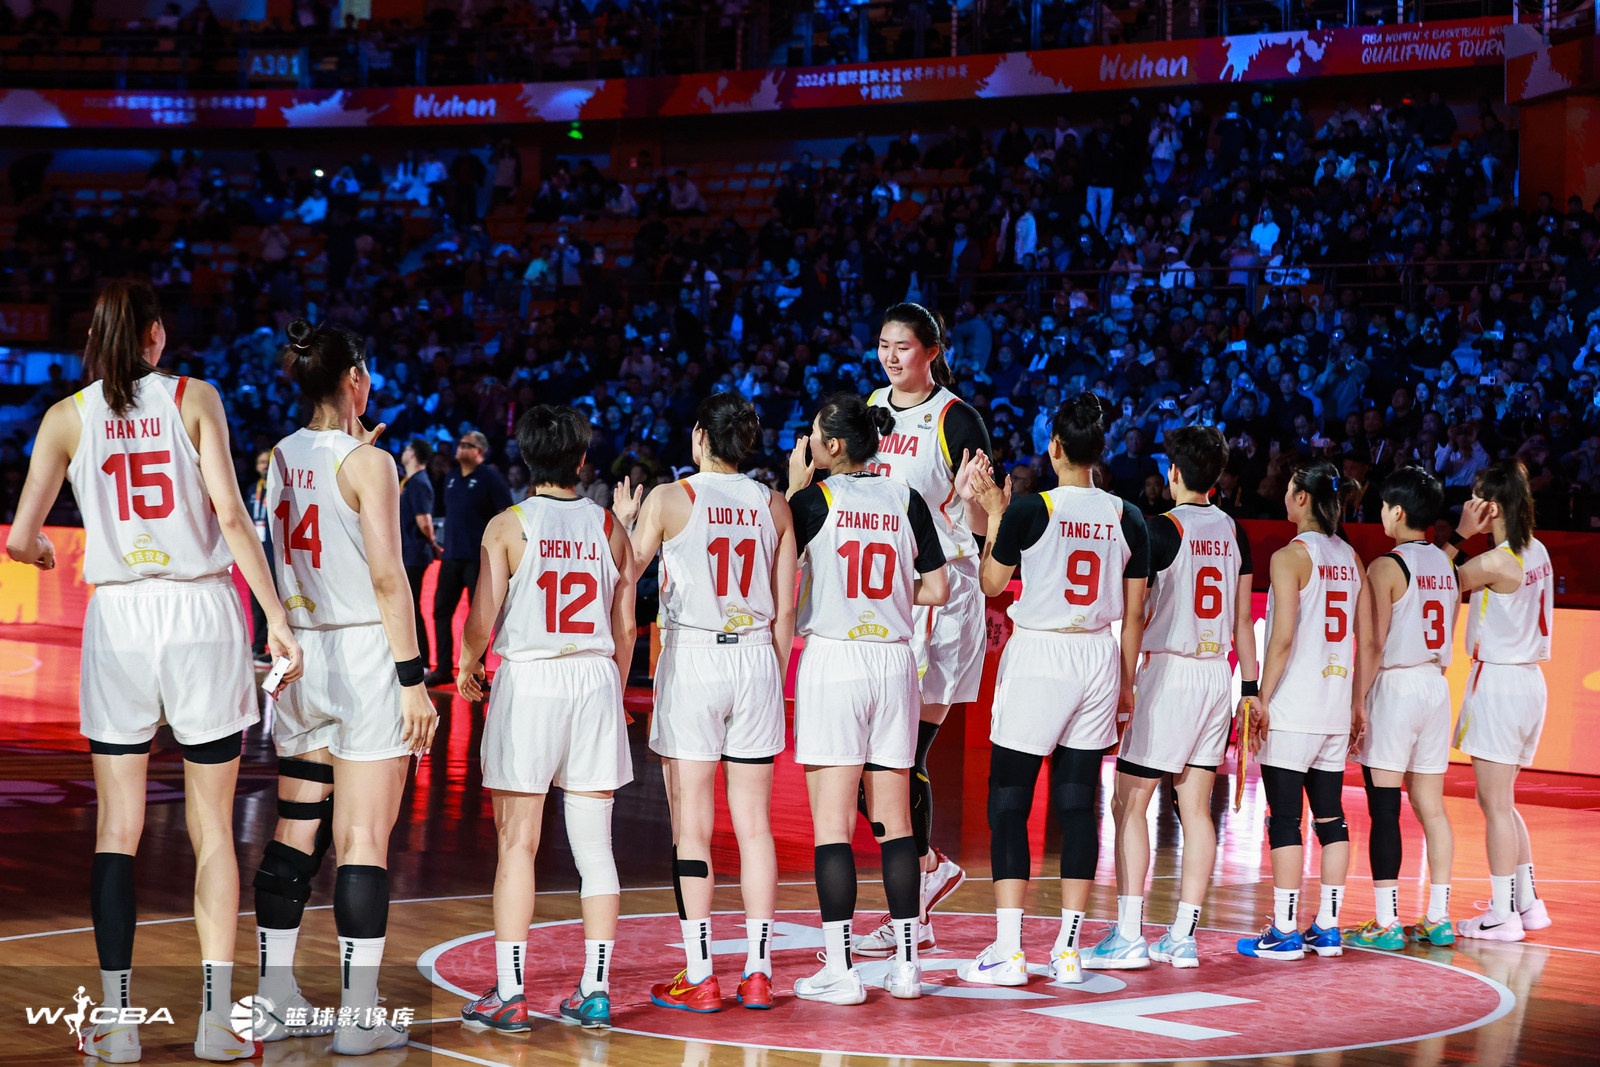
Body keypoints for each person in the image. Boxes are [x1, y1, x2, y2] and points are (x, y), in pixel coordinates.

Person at [4, 280, 303, 1063]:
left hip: (121, 618)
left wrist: (42, 551)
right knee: (212, 828)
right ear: (157, 335)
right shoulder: (194, 397)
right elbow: (231, 517)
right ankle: (215, 1020)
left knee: (117, 828)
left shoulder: (65, 416)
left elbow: (22, 538)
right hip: (201, 610)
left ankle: (118, 1021)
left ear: (93, 340)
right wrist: (275, 616)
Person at [252, 318, 438, 1055]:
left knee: (295, 830)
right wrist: (413, 680)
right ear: (355, 379)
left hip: (301, 654)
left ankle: (274, 998)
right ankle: (360, 1017)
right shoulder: (372, 464)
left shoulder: (280, 456)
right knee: (362, 837)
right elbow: (389, 579)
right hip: (363, 655)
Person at [613, 394, 797, 1013]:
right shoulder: (775, 504)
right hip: (756, 657)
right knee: (755, 826)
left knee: (690, 825)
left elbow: (626, 573)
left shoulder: (671, 498)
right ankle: (759, 972)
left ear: (699, 437)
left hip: (695, 656)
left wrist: (624, 522)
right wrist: (769, 676)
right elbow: (786, 610)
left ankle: (700, 973)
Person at [456, 405, 636, 1032]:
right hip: (594, 677)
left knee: (517, 844)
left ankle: (510, 993)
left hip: (531, 679)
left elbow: (482, 616)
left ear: (524, 457)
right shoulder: (609, 525)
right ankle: (596, 989)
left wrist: (468, 663)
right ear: (582, 460)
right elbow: (626, 628)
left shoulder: (508, 525)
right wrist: (614, 691)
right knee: (596, 848)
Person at [959, 395, 1149, 986]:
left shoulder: (1031, 508)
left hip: (1042, 653)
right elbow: (1136, 616)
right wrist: (1125, 683)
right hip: (1098, 654)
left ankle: (1009, 950)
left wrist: (995, 513)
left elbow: (992, 584)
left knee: (1009, 799)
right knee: (1076, 802)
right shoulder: (1128, 516)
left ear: (1055, 447)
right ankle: (1068, 951)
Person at [785, 394, 949, 1005]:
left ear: (831, 446)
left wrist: (794, 486)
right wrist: (889, 595)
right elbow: (936, 587)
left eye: (813, 434)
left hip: (836, 659)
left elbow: (778, 572)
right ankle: (907, 967)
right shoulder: (906, 498)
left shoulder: (812, 500)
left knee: (832, 826)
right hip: (894, 662)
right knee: (896, 824)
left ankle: (840, 970)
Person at [856, 302, 991, 958]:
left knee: (898, 758)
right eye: (883, 344)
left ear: (932, 350)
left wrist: (974, 499)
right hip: (888, 594)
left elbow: (986, 524)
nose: (890, 356)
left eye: (902, 346)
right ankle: (926, 875)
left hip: (940, 596)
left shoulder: (956, 418)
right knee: (876, 761)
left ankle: (911, 903)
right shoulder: (870, 407)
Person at [1104, 425, 1256, 971]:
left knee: (1129, 802)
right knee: (1196, 808)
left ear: (1173, 473)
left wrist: (1124, 683)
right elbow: (1244, 621)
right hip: (1218, 673)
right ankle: (1183, 936)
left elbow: (1135, 613)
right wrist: (1250, 690)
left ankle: (1128, 933)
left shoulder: (1160, 528)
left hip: (1170, 672)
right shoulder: (1235, 530)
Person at [1238, 461, 1366, 961]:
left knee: (1285, 820)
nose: (1284, 495)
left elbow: (1283, 639)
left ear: (1302, 498)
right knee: (1332, 820)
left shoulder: (1291, 556)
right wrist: (1357, 701)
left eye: (1290, 489)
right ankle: (1328, 927)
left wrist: (1260, 697)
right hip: (1334, 708)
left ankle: (1285, 929)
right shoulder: (1351, 557)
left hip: (1294, 709)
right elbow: (1365, 637)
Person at [1347, 466, 1457, 950]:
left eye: (1382, 506)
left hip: (1397, 685)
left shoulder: (1386, 566)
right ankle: (1439, 917)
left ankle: (1387, 921)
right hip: (1435, 683)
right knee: (1432, 808)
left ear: (1396, 511)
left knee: (1385, 808)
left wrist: (1357, 700)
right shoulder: (1446, 564)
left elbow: (1373, 644)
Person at [1444, 459, 1554, 941]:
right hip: (1529, 682)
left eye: (1476, 497)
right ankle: (1528, 903)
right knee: (1502, 802)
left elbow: (1435, 577)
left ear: (1492, 506)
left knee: (1493, 803)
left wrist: (1461, 534)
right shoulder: (1538, 550)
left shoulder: (1495, 562)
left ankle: (1502, 912)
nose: (1470, 503)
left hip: (1501, 684)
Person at [426, 430, 510, 686]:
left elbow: (505, 513)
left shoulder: (491, 477)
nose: (460, 448)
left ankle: (477, 672)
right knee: (441, 611)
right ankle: (442, 668)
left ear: (479, 451)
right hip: (451, 556)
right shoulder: (451, 477)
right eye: (460, 443)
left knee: (479, 617)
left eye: (466, 445)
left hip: (478, 558)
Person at [399, 437, 440, 659]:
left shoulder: (419, 483)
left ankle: (421, 657)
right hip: (409, 551)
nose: (403, 452)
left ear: (413, 454)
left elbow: (424, 521)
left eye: (407, 449)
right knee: (408, 606)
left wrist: (433, 543)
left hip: (415, 553)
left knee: (411, 606)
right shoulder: (411, 482)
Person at [245, 448, 276, 667]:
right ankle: (257, 645)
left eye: (267, 461)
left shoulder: (277, 488)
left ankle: (274, 647)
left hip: (274, 553)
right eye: (261, 462)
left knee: (274, 601)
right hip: (256, 553)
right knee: (256, 601)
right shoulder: (250, 489)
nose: (264, 465)